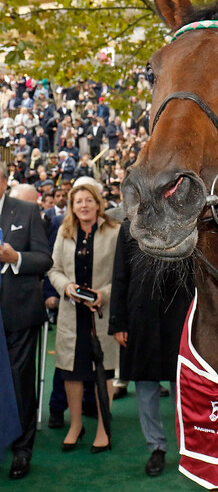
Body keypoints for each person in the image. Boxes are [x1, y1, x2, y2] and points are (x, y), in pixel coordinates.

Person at [108, 219, 193, 476]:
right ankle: (156, 447)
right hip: (141, 317)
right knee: (145, 384)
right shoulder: (129, 226)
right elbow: (120, 276)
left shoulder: (187, 221)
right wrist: (118, 321)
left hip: (181, 313)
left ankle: (189, 447)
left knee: (185, 385)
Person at [47, 182, 120, 454]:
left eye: (88, 200)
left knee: (105, 372)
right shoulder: (64, 232)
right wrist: (66, 287)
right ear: (72, 207)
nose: (84, 205)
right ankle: (75, 425)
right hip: (71, 315)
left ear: (98, 203)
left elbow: (121, 277)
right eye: (78, 201)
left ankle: (103, 428)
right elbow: (53, 269)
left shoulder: (114, 232)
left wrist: (103, 294)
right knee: (72, 373)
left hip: (101, 314)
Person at [0, 164, 52, 479]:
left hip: (17, 313)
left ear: (4, 181)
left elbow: (44, 259)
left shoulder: (27, 210)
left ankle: (22, 450)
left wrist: (15, 258)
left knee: (20, 383)